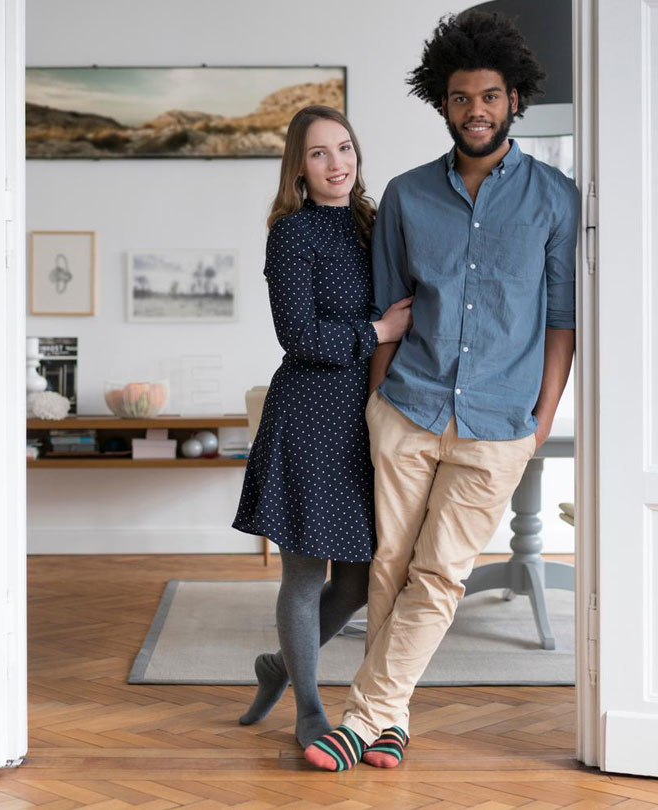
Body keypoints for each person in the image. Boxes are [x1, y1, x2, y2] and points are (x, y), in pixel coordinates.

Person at [303, 12, 579, 772]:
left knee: (441, 573)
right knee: (391, 564)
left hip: (500, 421)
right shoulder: (404, 196)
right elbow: (388, 316)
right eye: (462, 98)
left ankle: (363, 718)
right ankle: (392, 719)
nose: (477, 110)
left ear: (514, 100)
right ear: (444, 103)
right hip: (408, 407)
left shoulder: (557, 199)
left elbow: (562, 323)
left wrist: (539, 422)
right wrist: (374, 408)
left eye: (491, 95)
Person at [232, 105, 415, 748]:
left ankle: (280, 665)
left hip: (369, 418)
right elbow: (299, 335)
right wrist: (379, 331)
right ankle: (308, 706)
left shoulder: (375, 222)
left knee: (361, 580)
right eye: (319, 153)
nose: (337, 163)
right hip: (309, 414)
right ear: (299, 166)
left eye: (344, 148)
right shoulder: (291, 233)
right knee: (306, 575)